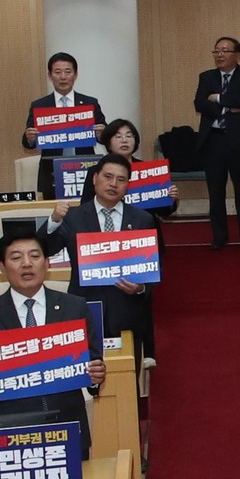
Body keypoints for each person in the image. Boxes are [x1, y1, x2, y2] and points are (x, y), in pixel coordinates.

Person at [0, 229, 109, 433]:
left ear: (47, 263)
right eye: (16, 257)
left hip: (68, 422)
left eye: (35, 256)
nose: (26, 264)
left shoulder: (74, 307)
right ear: (2, 267)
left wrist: (96, 376)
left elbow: (93, 360)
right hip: (13, 428)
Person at [50, 152, 159, 362]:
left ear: (127, 185)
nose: (113, 184)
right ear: (94, 178)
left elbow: (153, 269)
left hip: (127, 310)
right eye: (108, 177)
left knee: (127, 383)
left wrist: (141, 288)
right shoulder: (72, 217)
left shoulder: (142, 219)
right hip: (85, 307)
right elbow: (47, 249)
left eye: (121, 180)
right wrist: (54, 220)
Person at [196, 33, 240, 248]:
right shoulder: (206, 77)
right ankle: (219, 237)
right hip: (213, 141)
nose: (220, 55)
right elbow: (199, 104)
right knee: (216, 192)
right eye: (216, 51)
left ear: (238, 55)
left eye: (225, 51)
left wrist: (218, 98)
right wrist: (230, 107)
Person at [24, 53, 107, 151]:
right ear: (50, 75)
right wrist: (30, 139)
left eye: (68, 72)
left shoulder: (90, 103)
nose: (63, 77)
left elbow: (107, 136)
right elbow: (27, 142)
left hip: (84, 162)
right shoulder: (39, 106)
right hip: (51, 164)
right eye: (57, 72)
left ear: (75, 75)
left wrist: (102, 134)